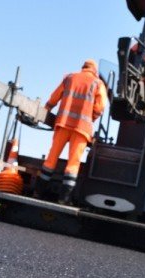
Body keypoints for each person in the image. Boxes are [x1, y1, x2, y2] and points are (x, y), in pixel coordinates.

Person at [35, 59, 108, 205]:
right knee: (73, 164)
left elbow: (55, 96)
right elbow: (100, 108)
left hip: (63, 124)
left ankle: (38, 192)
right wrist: (90, 118)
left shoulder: (70, 77)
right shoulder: (98, 83)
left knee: (51, 159)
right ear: (95, 70)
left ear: (83, 67)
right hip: (81, 129)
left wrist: (47, 108)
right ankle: (64, 198)